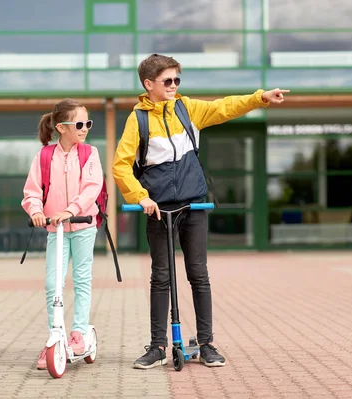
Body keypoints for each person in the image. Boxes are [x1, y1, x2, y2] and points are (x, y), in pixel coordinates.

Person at [112, 53, 289, 369]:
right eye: (168, 81)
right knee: (161, 277)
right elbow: (121, 166)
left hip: (194, 204)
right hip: (158, 208)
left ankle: (206, 343)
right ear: (148, 84)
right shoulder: (137, 119)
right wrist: (141, 197)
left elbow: (224, 107)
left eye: (178, 80)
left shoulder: (187, 108)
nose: (174, 85)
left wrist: (259, 98)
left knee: (198, 274)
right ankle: (157, 346)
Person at [22, 98, 104, 370]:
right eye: (79, 124)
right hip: (55, 229)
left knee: (81, 279)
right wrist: (35, 209)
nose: (85, 128)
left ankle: (78, 332)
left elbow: (92, 187)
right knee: (52, 284)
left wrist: (71, 210)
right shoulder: (44, 156)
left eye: (88, 123)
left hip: (82, 226)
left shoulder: (89, 153)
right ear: (61, 127)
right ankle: (55, 334)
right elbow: (32, 190)